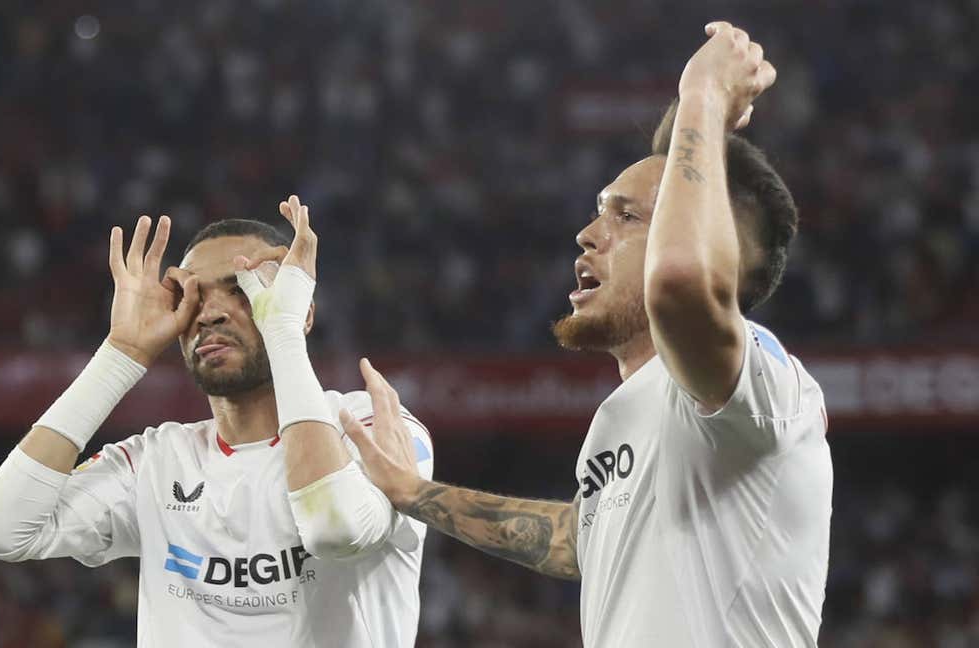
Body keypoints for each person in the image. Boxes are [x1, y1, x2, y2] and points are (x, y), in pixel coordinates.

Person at [337, 22, 831, 647]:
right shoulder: (628, 410)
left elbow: (679, 284)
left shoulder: (761, 380)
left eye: (626, 216)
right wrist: (415, 492)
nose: (589, 233)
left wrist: (703, 93)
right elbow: (580, 539)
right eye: (600, 210)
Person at [0, 196, 434, 647]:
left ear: (302, 309)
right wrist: (120, 356)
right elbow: (0, 530)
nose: (210, 313)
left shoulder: (375, 426)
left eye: (243, 289)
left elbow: (336, 530)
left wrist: (282, 328)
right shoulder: (158, 461)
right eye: (194, 296)